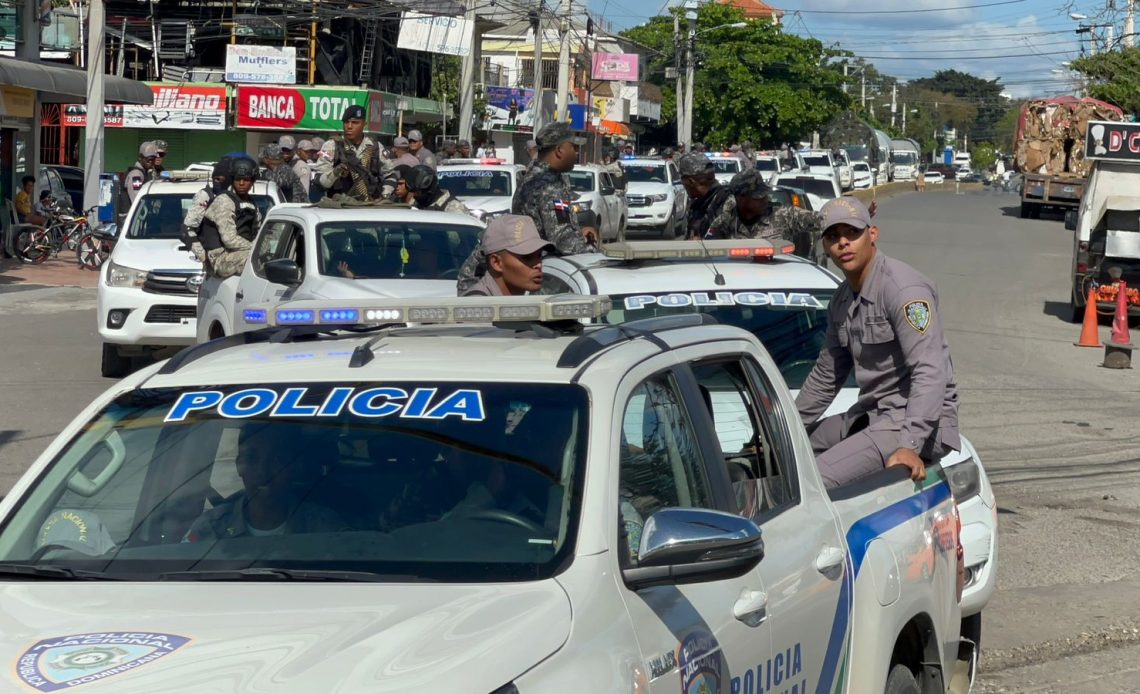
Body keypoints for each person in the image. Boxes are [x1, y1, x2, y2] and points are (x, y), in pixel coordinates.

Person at [795, 197, 960, 488]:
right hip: (872, 415)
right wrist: (786, 428)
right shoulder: (841, 300)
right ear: (824, 246)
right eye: (833, 236)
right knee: (787, 455)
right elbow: (826, 376)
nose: (843, 243)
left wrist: (910, 443)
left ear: (872, 234)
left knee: (811, 482)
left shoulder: (903, 290)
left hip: (913, 421)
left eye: (852, 233)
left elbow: (930, 370)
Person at [455, 122, 596, 294]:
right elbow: (565, 242)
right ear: (559, 150)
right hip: (532, 275)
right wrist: (593, 248)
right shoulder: (549, 186)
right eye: (573, 147)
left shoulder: (533, 175)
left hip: (515, 273)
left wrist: (579, 232)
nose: (577, 153)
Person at [183, 425, 344, 542]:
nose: (263, 471)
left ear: (294, 467)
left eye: (277, 459)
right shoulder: (211, 527)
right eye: (252, 458)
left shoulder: (324, 527)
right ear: (239, 466)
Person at [460, 215, 553, 297]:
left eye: (539, 256)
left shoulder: (522, 302)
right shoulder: (479, 307)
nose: (539, 265)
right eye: (527, 257)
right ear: (496, 263)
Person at [200, 157, 262, 279]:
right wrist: (257, 249)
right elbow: (229, 239)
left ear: (253, 181)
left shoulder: (252, 204)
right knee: (258, 260)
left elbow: (259, 231)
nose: (242, 183)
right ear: (232, 180)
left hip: (240, 253)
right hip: (221, 260)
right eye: (238, 179)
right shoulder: (224, 201)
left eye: (246, 180)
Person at [315, 105, 386, 203]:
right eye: (346, 122)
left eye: (355, 123)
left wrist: (385, 195)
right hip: (340, 206)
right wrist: (335, 173)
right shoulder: (331, 145)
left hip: (369, 206)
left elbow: (390, 174)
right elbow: (321, 182)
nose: (349, 126)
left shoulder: (375, 147)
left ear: (364, 124)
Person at [181, 159, 232, 262]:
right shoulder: (205, 196)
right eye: (215, 179)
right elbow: (188, 228)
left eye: (221, 180)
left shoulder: (235, 197)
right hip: (212, 256)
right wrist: (203, 256)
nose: (217, 182)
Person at [706, 169, 778, 240]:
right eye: (758, 197)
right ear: (740, 198)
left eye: (765, 195)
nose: (765, 200)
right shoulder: (725, 222)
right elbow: (709, 247)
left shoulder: (783, 215)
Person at [679, 152, 732, 240]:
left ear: (690, 181)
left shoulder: (727, 201)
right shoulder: (698, 204)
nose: (683, 185)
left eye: (683, 180)